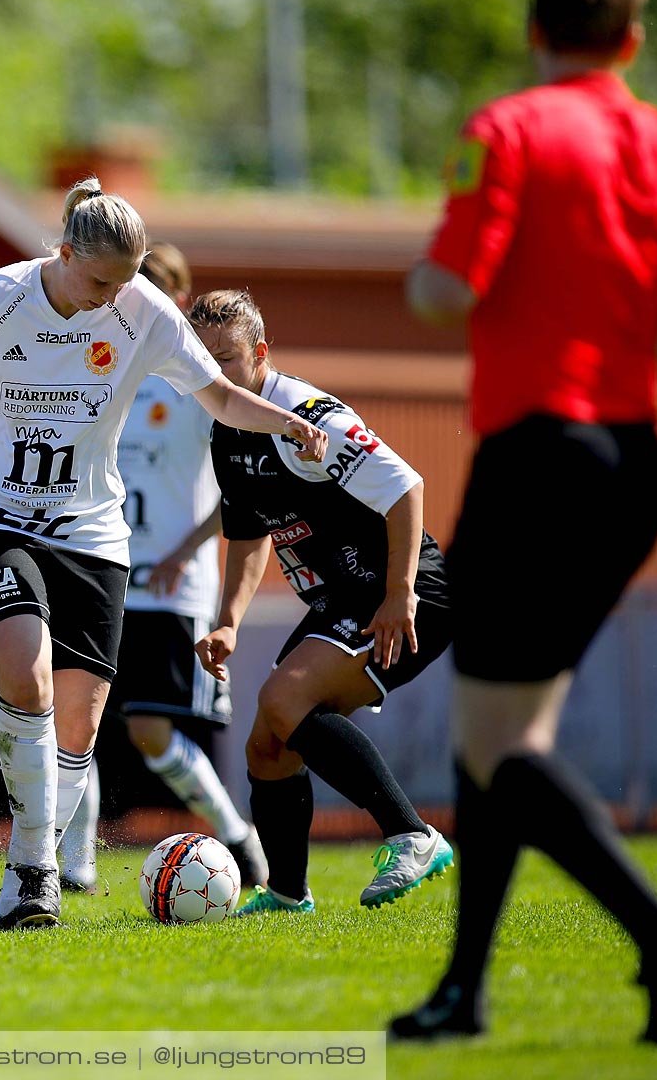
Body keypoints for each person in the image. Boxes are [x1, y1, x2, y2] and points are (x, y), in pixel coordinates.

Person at [0, 178, 329, 930]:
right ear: (61, 252)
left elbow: (219, 396)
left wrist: (285, 422)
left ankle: (28, 873)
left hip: (90, 529)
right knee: (26, 675)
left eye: (127, 280)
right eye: (100, 280)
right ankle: (36, 872)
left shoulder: (142, 311)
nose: (113, 297)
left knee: (80, 726)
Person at [391, 0, 657, 1044]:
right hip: (627, 469)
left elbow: (448, 287)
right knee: (502, 737)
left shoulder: (505, 130)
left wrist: (425, 276)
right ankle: (465, 991)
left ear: (535, 30)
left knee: (497, 746)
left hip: (534, 462)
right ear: (633, 41)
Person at [186, 290, 453, 919]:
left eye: (227, 358)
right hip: (344, 599)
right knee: (266, 746)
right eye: (203, 360)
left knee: (284, 700)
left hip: (402, 591)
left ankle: (413, 835)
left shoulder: (307, 413)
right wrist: (227, 621)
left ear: (261, 354)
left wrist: (398, 594)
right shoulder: (227, 427)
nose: (215, 373)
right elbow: (249, 535)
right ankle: (286, 894)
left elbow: (405, 487)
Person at [57, 245, 267, 895]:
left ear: (176, 300)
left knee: (150, 731)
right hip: (101, 568)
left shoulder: (197, 382)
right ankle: (74, 866)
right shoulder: (99, 367)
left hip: (170, 584)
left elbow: (241, 495)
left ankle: (236, 834)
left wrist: (185, 549)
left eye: (148, 287)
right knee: (73, 719)